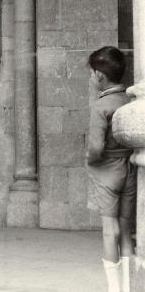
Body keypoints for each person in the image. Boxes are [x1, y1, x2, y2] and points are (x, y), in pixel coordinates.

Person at [86, 46, 135, 292]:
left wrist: (91, 160)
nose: (91, 77)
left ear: (100, 76)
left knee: (109, 230)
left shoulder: (100, 106)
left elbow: (95, 148)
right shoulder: (130, 100)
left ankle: (114, 289)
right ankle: (129, 287)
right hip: (130, 168)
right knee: (126, 229)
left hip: (107, 170)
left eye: (92, 73)